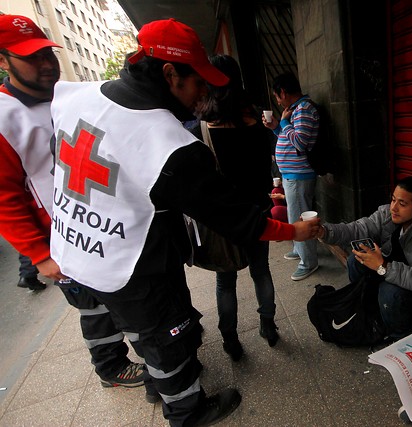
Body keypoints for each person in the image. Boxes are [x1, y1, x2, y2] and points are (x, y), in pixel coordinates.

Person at [49, 19, 319, 427]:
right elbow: (233, 218)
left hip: (74, 252)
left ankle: (160, 384)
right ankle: (186, 411)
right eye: (198, 83)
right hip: (130, 266)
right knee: (166, 339)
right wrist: (292, 231)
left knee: (145, 334)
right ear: (169, 73)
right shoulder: (167, 141)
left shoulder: (74, 95)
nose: (203, 95)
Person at [0, 13, 147, 392]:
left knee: (120, 296)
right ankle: (111, 367)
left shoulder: (69, 96)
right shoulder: (4, 117)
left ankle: (148, 353)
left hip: (105, 224)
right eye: (30, 57)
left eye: (47, 53)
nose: (45, 63)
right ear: (3, 61)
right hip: (63, 238)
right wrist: (38, 254)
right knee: (94, 308)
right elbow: (5, 199)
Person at [189, 54, 280, 361]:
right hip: (256, 212)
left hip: (224, 217)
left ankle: (230, 339)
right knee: (261, 271)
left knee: (225, 280)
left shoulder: (202, 127)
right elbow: (265, 168)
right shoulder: (255, 120)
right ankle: (268, 325)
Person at [318, 176, 412, 340]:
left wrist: (382, 266)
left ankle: (399, 335)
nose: (394, 208)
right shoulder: (388, 215)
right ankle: (368, 309)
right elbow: (358, 229)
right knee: (355, 261)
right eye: (393, 200)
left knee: (389, 291)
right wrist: (323, 232)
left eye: (402, 204)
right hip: (396, 274)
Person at [262, 72, 320, 281]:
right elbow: (288, 138)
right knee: (295, 215)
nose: (277, 100)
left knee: (300, 217)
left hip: (300, 174)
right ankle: (300, 248)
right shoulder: (295, 110)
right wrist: (277, 126)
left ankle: (309, 262)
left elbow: (300, 143)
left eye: (277, 96)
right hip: (291, 174)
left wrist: (284, 124)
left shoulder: (304, 109)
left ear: (283, 92)